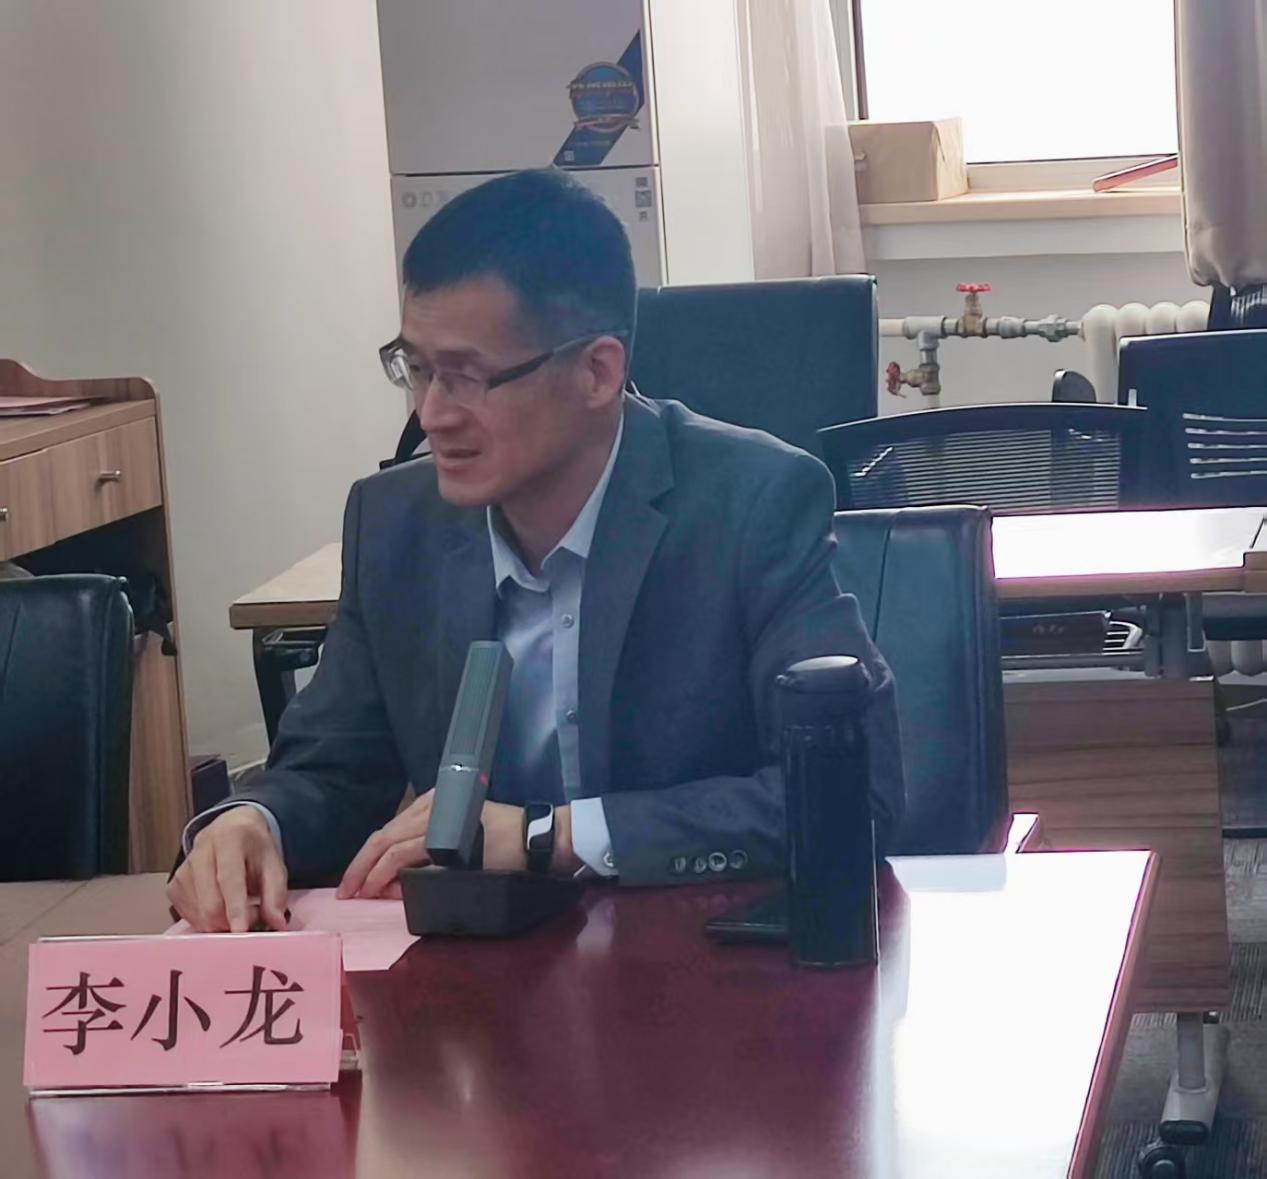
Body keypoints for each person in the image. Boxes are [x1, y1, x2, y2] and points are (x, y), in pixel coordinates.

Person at [168, 168, 904, 933]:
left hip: (695, 957)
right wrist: (254, 821)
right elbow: (333, 769)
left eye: (466, 376)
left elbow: (850, 795)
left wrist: (548, 837)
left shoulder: (752, 504)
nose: (431, 414)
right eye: (415, 368)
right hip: (478, 970)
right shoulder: (394, 524)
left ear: (596, 372)